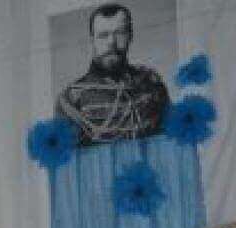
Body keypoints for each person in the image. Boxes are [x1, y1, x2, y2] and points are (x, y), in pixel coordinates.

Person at [54, 2, 170, 146]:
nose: (111, 42)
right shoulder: (71, 100)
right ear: (92, 41)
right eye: (103, 35)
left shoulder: (151, 83)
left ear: (130, 36)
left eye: (120, 33)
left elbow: (171, 142)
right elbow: (68, 157)